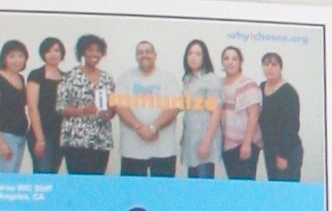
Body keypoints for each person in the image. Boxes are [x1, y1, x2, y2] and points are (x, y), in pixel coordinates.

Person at [112, 38, 180, 177]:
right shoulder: (125, 78)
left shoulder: (168, 78)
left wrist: (154, 127)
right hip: (132, 150)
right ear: (136, 56)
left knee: (162, 189)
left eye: (148, 52)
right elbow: (120, 107)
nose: (144, 55)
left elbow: (173, 107)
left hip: (163, 150)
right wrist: (139, 127)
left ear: (155, 55)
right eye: (140, 52)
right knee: (132, 190)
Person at [57, 32, 116, 174]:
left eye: (98, 51)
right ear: (82, 52)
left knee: (97, 181)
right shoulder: (71, 76)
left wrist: (108, 113)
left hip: (101, 139)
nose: (94, 54)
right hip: (76, 138)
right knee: (77, 181)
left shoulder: (107, 78)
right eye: (90, 50)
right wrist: (82, 111)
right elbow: (60, 106)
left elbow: (113, 106)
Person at [0, 39, 33, 171]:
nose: (17, 60)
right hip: (3, 136)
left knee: (13, 179)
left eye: (20, 56)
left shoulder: (21, 78)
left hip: (20, 136)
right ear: (4, 59)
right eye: (12, 56)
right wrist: (0, 144)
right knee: (3, 179)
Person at [256, 50, 303, 182]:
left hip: (287, 151)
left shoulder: (288, 92)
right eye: (266, 64)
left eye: (274, 65)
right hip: (269, 149)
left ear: (280, 68)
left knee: (287, 190)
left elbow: (292, 126)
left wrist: (283, 155)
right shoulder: (261, 87)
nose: (270, 68)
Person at [216, 44, 262, 178]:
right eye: (226, 58)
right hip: (227, 144)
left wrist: (246, 144)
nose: (230, 62)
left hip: (246, 144)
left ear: (240, 62)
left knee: (245, 185)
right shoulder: (218, 84)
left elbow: (254, 116)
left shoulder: (248, 84)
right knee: (233, 183)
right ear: (222, 62)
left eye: (234, 59)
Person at [179, 41, 221, 178]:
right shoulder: (187, 78)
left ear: (204, 57)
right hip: (190, 140)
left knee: (204, 184)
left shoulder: (210, 79)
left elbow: (217, 112)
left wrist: (206, 141)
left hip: (204, 139)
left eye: (198, 54)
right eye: (190, 53)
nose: (193, 57)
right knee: (192, 184)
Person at [28, 36, 65, 173]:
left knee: (53, 175)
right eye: (48, 51)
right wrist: (40, 139)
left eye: (56, 50)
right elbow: (32, 108)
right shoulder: (36, 75)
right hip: (41, 133)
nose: (53, 54)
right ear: (43, 54)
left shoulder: (66, 77)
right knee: (42, 175)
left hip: (60, 134)